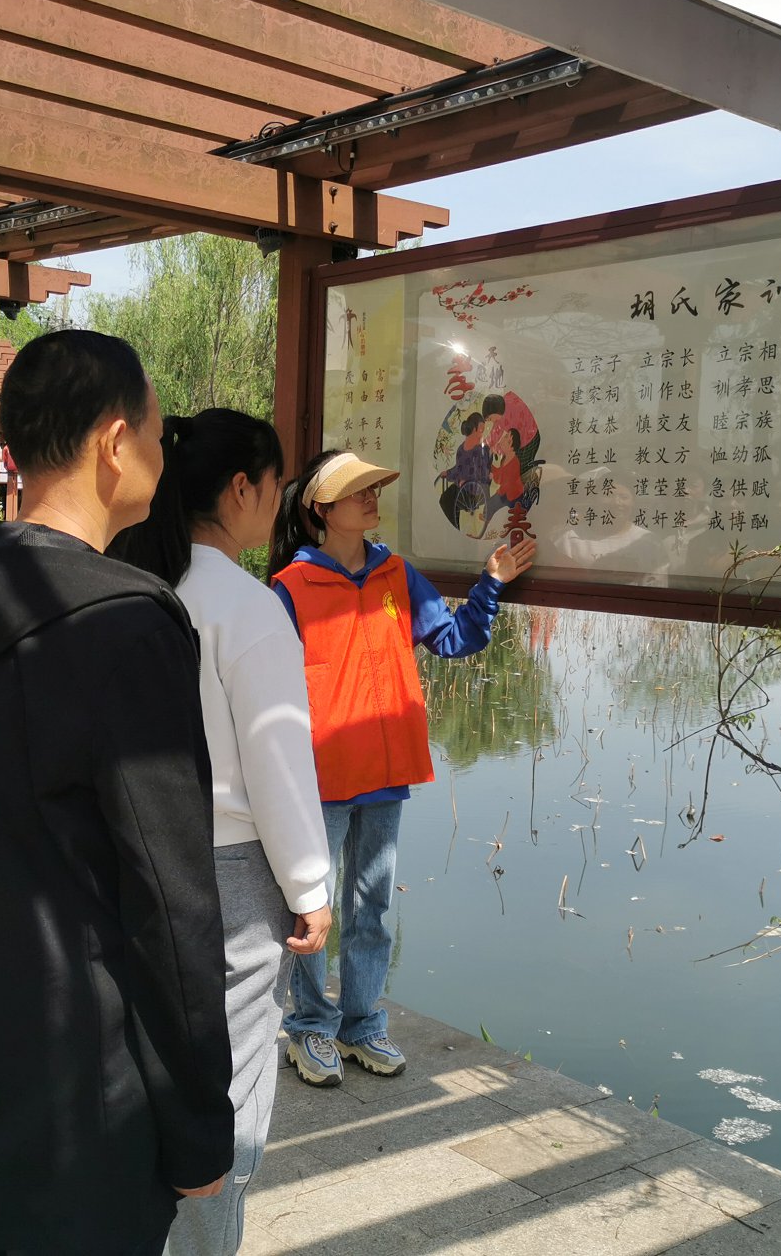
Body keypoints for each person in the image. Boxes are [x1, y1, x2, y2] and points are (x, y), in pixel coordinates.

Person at [0, 330, 233, 1256]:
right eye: (156, 434)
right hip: (83, 1107)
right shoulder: (125, 625)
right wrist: (199, 1123)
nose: (162, 457)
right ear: (114, 443)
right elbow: (172, 905)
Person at [111, 409, 332, 1256]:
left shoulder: (129, 582)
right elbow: (277, 760)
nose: (277, 505)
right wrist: (309, 887)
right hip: (229, 873)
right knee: (226, 1088)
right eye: (275, 487)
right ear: (242, 488)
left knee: (142, 1069)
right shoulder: (249, 606)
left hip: (126, 855)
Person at [269, 450, 535, 1086]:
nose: (372, 497)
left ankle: (361, 1024)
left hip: (386, 775)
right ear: (321, 509)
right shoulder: (291, 588)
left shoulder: (396, 574)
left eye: (374, 488)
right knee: (310, 908)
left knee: (371, 906)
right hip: (320, 779)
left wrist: (491, 582)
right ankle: (309, 1026)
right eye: (357, 491)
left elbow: (454, 638)